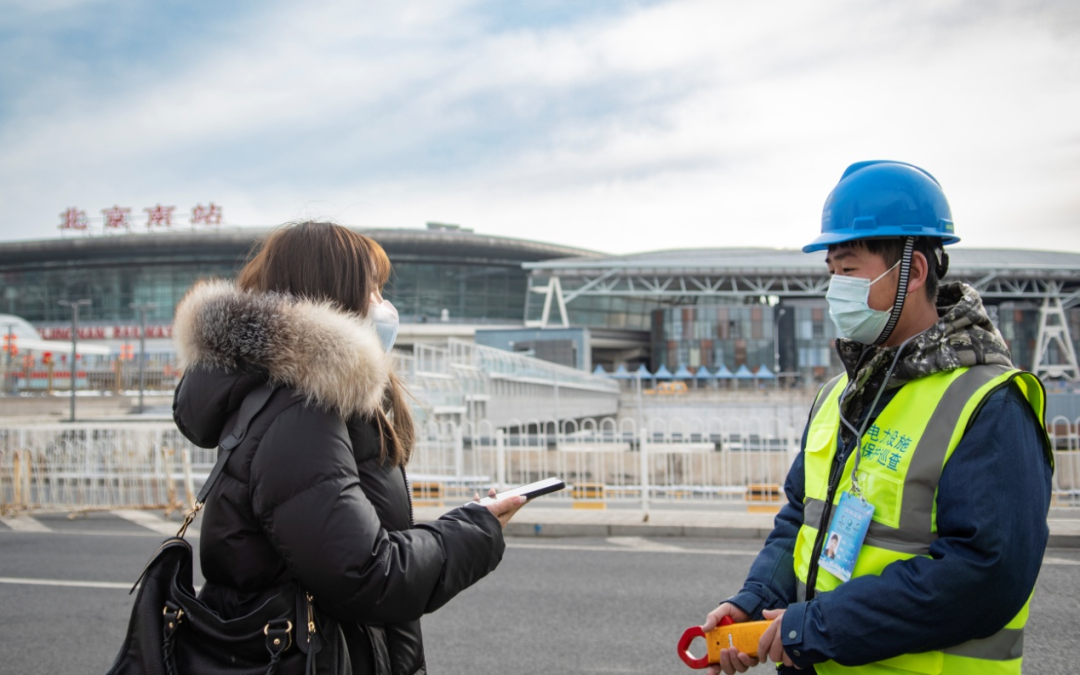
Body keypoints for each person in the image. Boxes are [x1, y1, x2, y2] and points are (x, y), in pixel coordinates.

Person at [700, 161, 1054, 674]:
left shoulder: (991, 404)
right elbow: (802, 521)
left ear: (914, 271)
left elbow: (985, 574)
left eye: (848, 270)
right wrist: (755, 602)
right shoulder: (838, 396)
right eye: (830, 272)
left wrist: (814, 627)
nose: (833, 288)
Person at [172, 221, 526, 674]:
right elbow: (365, 576)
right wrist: (474, 531)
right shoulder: (301, 415)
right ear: (333, 296)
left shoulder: (303, 404)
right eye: (373, 290)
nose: (384, 306)